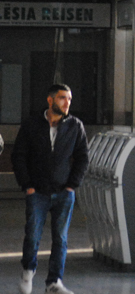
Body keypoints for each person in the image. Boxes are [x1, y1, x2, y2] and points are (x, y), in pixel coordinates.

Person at [12, 84, 89, 294]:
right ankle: (28, 272)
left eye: (70, 99)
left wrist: (72, 185)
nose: (67, 103)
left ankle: (54, 282)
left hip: (64, 192)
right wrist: (27, 185)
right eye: (63, 98)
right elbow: (19, 156)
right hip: (37, 191)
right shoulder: (31, 125)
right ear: (50, 100)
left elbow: (83, 158)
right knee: (33, 235)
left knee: (61, 239)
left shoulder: (75, 126)